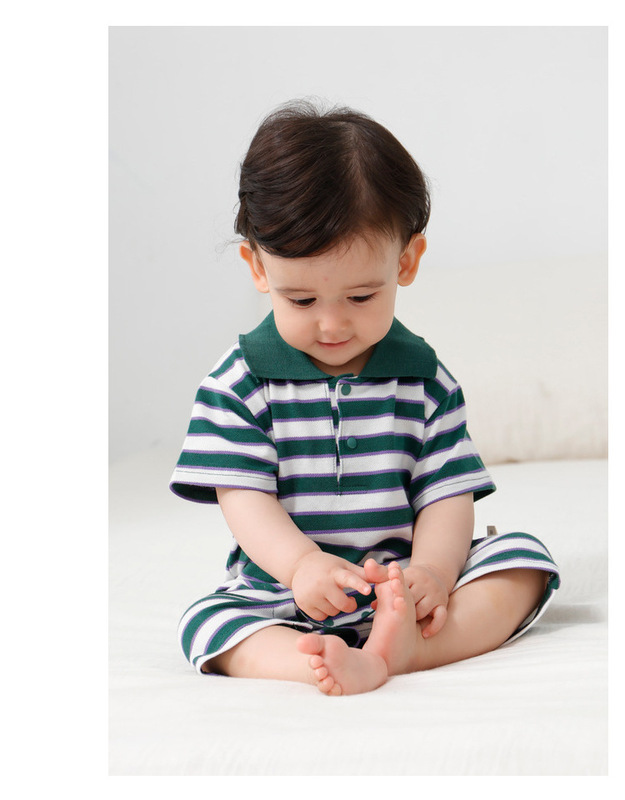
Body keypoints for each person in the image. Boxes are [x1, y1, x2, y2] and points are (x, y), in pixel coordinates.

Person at [170, 100, 560, 696]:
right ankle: (315, 661)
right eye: (301, 300)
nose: (331, 324)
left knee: (523, 562)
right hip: (286, 594)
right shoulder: (239, 384)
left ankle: (408, 648)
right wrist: (301, 566)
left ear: (406, 261)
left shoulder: (425, 381)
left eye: (360, 297)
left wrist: (432, 572)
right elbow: (244, 498)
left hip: (403, 590)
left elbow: (446, 495)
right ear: (258, 267)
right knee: (208, 624)